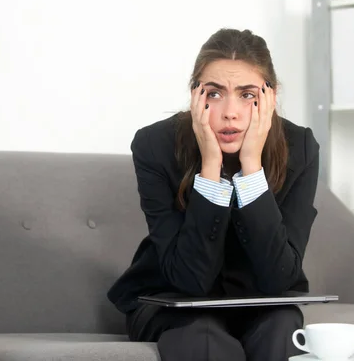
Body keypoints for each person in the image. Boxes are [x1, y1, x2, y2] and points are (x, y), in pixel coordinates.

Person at [107, 28, 320, 361]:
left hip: (257, 301)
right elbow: (189, 280)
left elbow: (280, 278)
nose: (230, 112)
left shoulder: (300, 147)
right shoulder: (154, 146)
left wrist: (251, 167)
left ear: (271, 97)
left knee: (283, 324)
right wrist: (210, 167)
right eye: (215, 93)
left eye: (248, 94)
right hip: (173, 302)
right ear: (195, 94)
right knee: (201, 333)